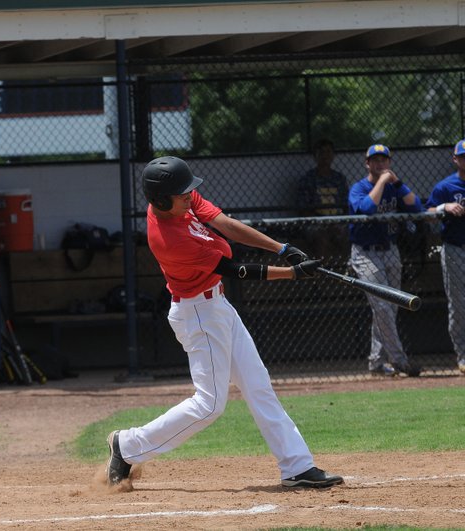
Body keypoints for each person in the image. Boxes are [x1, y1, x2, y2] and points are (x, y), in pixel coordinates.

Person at [105, 156, 343, 490]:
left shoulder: (177, 202)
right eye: (182, 193)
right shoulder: (169, 239)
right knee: (209, 405)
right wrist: (291, 273)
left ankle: (297, 466)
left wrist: (284, 248)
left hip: (216, 305)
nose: (190, 196)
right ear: (160, 200)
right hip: (197, 314)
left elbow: (226, 224)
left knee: (257, 384)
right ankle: (127, 446)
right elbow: (238, 271)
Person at [348, 144, 423, 377]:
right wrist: (381, 182)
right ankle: (400, 360)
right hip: (365, 252)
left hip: (390, 249)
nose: (380, 165)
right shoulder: (359, 188)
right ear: (367, 163)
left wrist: (398, 183)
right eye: (375, 160)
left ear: (389, 162)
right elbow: (367, 209)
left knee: (390, 306)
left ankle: (376, 362)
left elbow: (417, 207)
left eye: (384, 160)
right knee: (381, 305)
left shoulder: (394, 188)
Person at [424, 140, 465, 374]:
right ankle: (463, 355)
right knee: (459, 305)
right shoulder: (446, 186)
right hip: (455, 248)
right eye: (463, 156)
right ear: (455, 159)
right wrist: (444, 207)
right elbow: (426, 214)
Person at [296, 138, 350, 260]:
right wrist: (322, 221)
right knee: (321, 237)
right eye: (321, 152)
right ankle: (323, 273)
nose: (325, 155)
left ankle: (347, 270)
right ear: (315, 156)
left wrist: (340, 221)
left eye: (328, 152)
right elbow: (303, 209)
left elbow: (346, 205)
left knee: (346, 235)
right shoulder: (308, 179)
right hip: (315, 222)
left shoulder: (339, 179)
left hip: (338, 221)